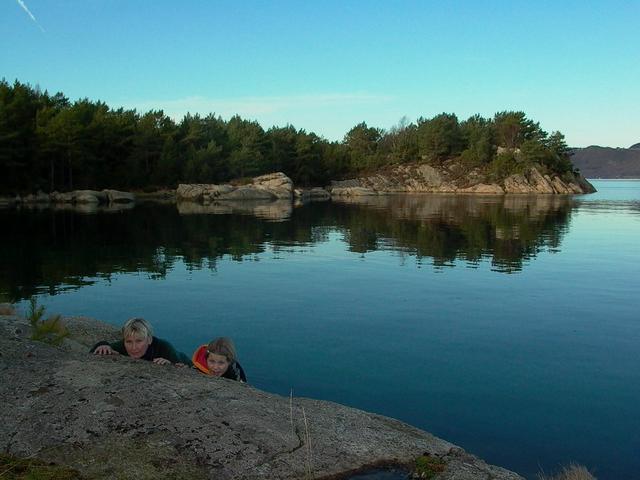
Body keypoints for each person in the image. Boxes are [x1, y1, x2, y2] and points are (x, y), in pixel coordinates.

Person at [91, 317, 191, 366]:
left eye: (139, 341)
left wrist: (170, 364)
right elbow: (94, 351)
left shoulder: (164, 347)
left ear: (149, 340)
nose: (134, 347)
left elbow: (183, 367)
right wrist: (103, 345)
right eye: (129, 342)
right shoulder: (122, 345)